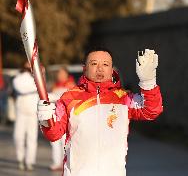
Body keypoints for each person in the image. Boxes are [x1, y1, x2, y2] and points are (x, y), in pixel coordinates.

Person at [37, 48, 163, 176]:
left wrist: (148, 83)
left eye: (105, 64)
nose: (100, 68)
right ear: (84, 68)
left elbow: (151, 110)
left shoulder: (124, 99)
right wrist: (45, 119)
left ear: (112, 70)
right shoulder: (69, 98)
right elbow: (53, 134)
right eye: (94, 63)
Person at [48, 67, 75, 171]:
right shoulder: (55, 85)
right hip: (56, 117)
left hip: (66, 118)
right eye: (59, 73)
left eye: (62, 73)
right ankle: (56, 162)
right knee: (55, 141)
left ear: (67, 74)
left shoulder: (71, 85)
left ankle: (66, 163)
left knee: (65, 142)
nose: (60, 76)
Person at [13, 61, 39, 171]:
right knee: (18, 137)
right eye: (27, 65)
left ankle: (29, 161)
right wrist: (35, 87)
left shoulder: (37, 77)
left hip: (33, 112)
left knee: (32, 138)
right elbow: (21, 90)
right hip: (21, 112)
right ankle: (20, 158)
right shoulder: (18, 78)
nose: (28, 67)